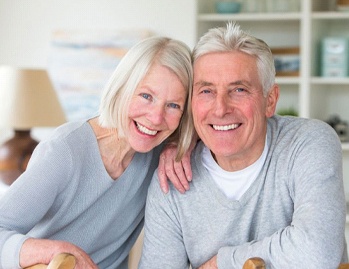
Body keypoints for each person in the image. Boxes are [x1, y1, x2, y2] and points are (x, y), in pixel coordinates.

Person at [139, 22, 348, 269]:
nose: (220, 108)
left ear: (270, 101)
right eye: (206, 91)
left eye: (238, 89)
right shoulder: (172, 179)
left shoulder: (308, 143)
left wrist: (221, 263)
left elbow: (318, 251)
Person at [0, 36, 193, 269]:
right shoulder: (63, 152)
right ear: (122, 88)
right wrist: (52, 249)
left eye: (173, 105)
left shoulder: (159, 154)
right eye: (146, 96)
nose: (156, 118)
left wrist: (182, 144)